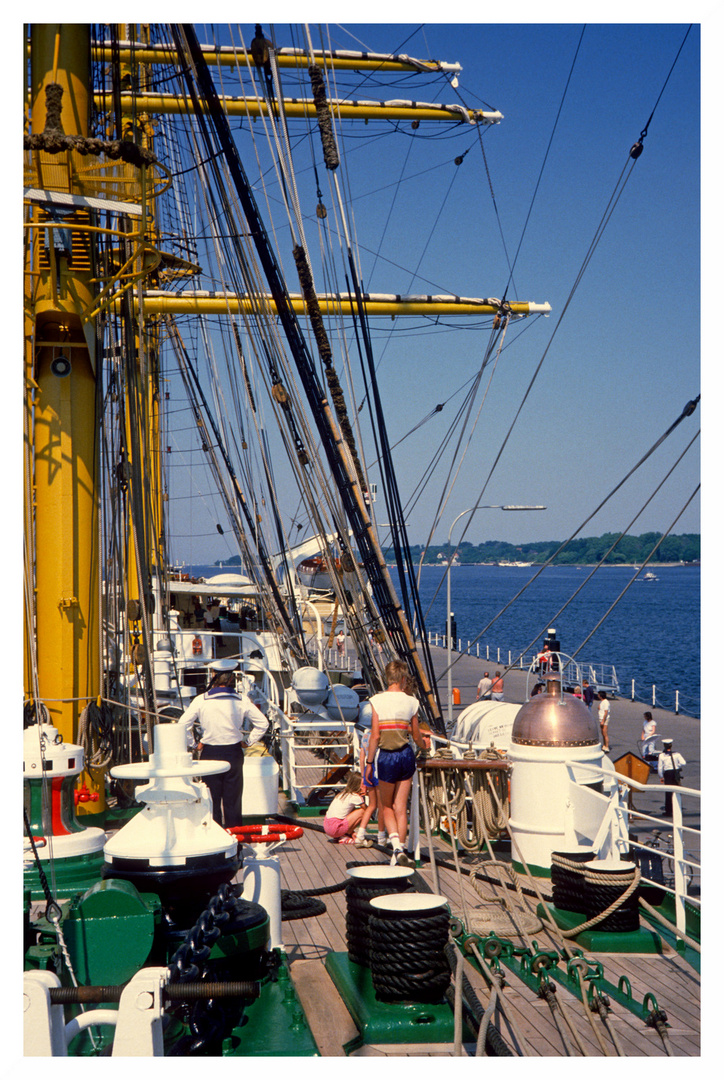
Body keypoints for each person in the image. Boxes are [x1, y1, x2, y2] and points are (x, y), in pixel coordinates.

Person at [180, 659, 268, 827]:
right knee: (233, 802)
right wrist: (248, 742)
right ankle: (235, 843)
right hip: (233, 754)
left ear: (213, 676)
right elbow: (263, 723)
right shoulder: (241, 700)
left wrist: (193, 744)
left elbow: (183, 724)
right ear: (231, 679)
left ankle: (215, 841)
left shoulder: (201, 700)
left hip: (210, 754)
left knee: (211, 801)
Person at [364, 659, 427, 867]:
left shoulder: (376, 701)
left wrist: (369, 762)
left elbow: (374, 736)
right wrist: (424, 746)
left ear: (387, 678)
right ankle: (401, 852)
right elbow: (416, 735)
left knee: (387, 806)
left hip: (387, 757)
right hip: (406, 756)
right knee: (401, 807)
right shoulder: (412, 702)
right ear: (402, 679)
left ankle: (397, 848)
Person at [354, 727, 380, 848]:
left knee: (372, 806)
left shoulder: (364, 737)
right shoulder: (378, 736)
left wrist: (364, 777)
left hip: (368, 774)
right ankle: (382, 837)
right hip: (378, 771)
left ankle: (360, 835)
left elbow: (362, 759)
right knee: (383, 806)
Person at [323, 771, 366, 844]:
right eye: (363, 785)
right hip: (335, 828)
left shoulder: (343, 793)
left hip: (327, 825)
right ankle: (345, 835)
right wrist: (368, 794)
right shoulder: (355, 796)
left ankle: (346, 834)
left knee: (354, 810)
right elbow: (367, 810)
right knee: (363, 812)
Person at [658, 738, 686, 815]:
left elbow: (660, 767)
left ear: (664, 746)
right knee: (677, 790)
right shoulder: (677, 754)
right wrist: (677, 766)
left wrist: (661, 777)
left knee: (668, 791)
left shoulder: (661, 755)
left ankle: (669, 810)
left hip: (668, 773)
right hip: (676, 772)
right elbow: (684, 763)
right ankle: (678, 808)